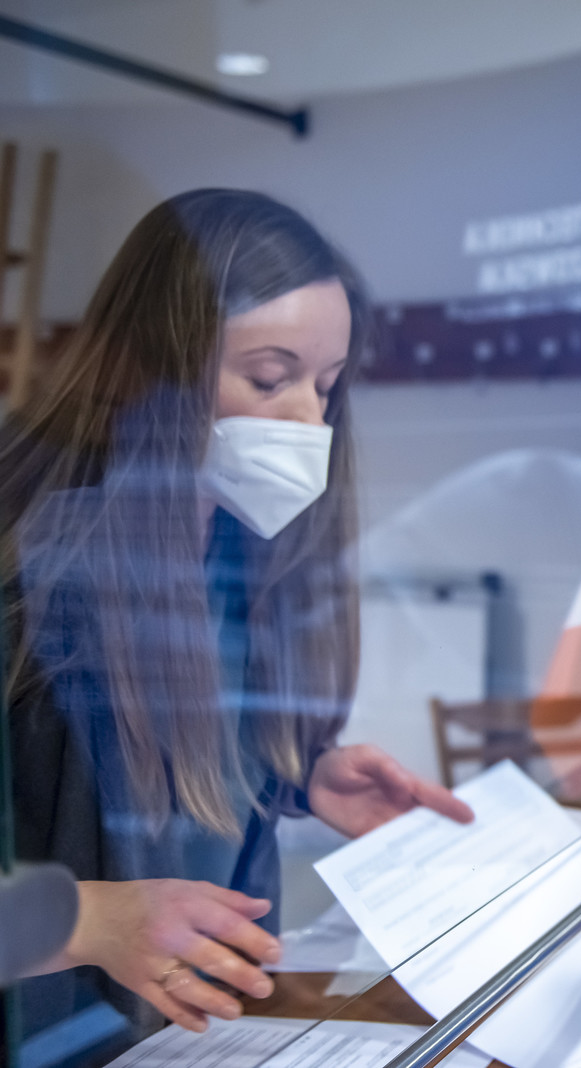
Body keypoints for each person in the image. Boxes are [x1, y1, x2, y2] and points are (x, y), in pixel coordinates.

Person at [1, 190, 473, 1048]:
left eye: (326, 385)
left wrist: (297, 773)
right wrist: (88, 920)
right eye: (269, 378)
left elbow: (178, 753)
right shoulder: (26, 569)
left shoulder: (243, 549)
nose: (310, 420)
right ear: (153, 367)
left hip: (191, 1036)